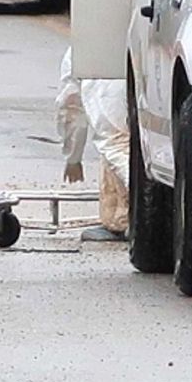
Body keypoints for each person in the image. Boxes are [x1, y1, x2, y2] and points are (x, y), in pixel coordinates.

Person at [55, 48, 130, 241]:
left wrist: (73, 157)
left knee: (117, 147)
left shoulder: (82, 48)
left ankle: (139, 220)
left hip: (109, 96)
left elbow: (71, 107)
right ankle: (121, 220)